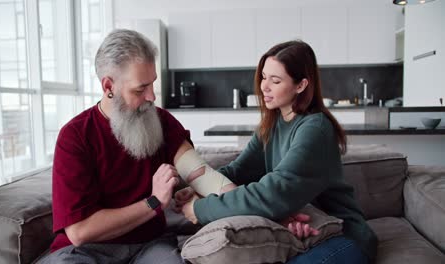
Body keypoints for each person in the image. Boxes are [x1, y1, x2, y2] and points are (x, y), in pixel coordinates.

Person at [38, 28, 239, 264]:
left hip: (150, 246)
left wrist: (268, 213)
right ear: (108, 86)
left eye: (152, 84)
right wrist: (153, 203)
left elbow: (203, 175)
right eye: (140, 89)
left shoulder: (162, 122)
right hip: (86, 251)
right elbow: (80, 232)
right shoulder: (75, 136)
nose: (152, 96)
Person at [177, 40, 378, 264]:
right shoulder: (271, 124)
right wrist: (196, 188)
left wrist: (201, 208)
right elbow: (237, 171)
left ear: (300, 85)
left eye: (275, 80)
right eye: (264, 77)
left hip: (343, 238)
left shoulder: (315, 129)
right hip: (305, 233)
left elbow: (273, 192)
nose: (264, 87)